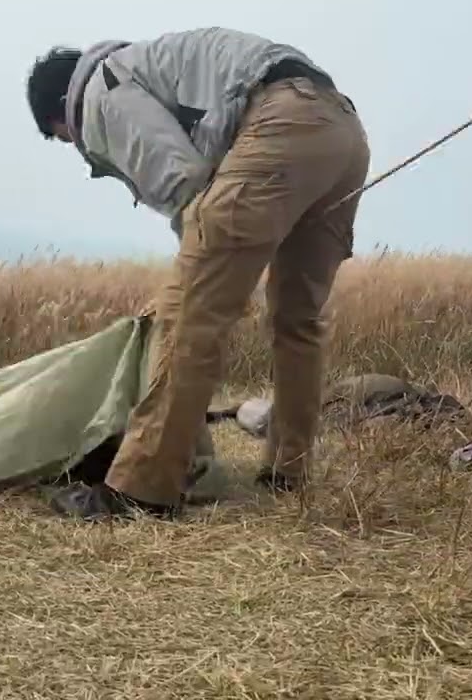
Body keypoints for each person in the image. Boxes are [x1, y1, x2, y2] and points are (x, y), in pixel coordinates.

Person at [26, 27, 371, 521]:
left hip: (280, 121)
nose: (75, 145)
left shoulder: (102, 91)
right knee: (297, 318)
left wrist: (197, 271)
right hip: (341, 129)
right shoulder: (147, 66)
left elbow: (183, 180)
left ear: (62, 109)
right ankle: (287, 468)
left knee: (191, 313)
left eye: (63, 137)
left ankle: (141, 489)